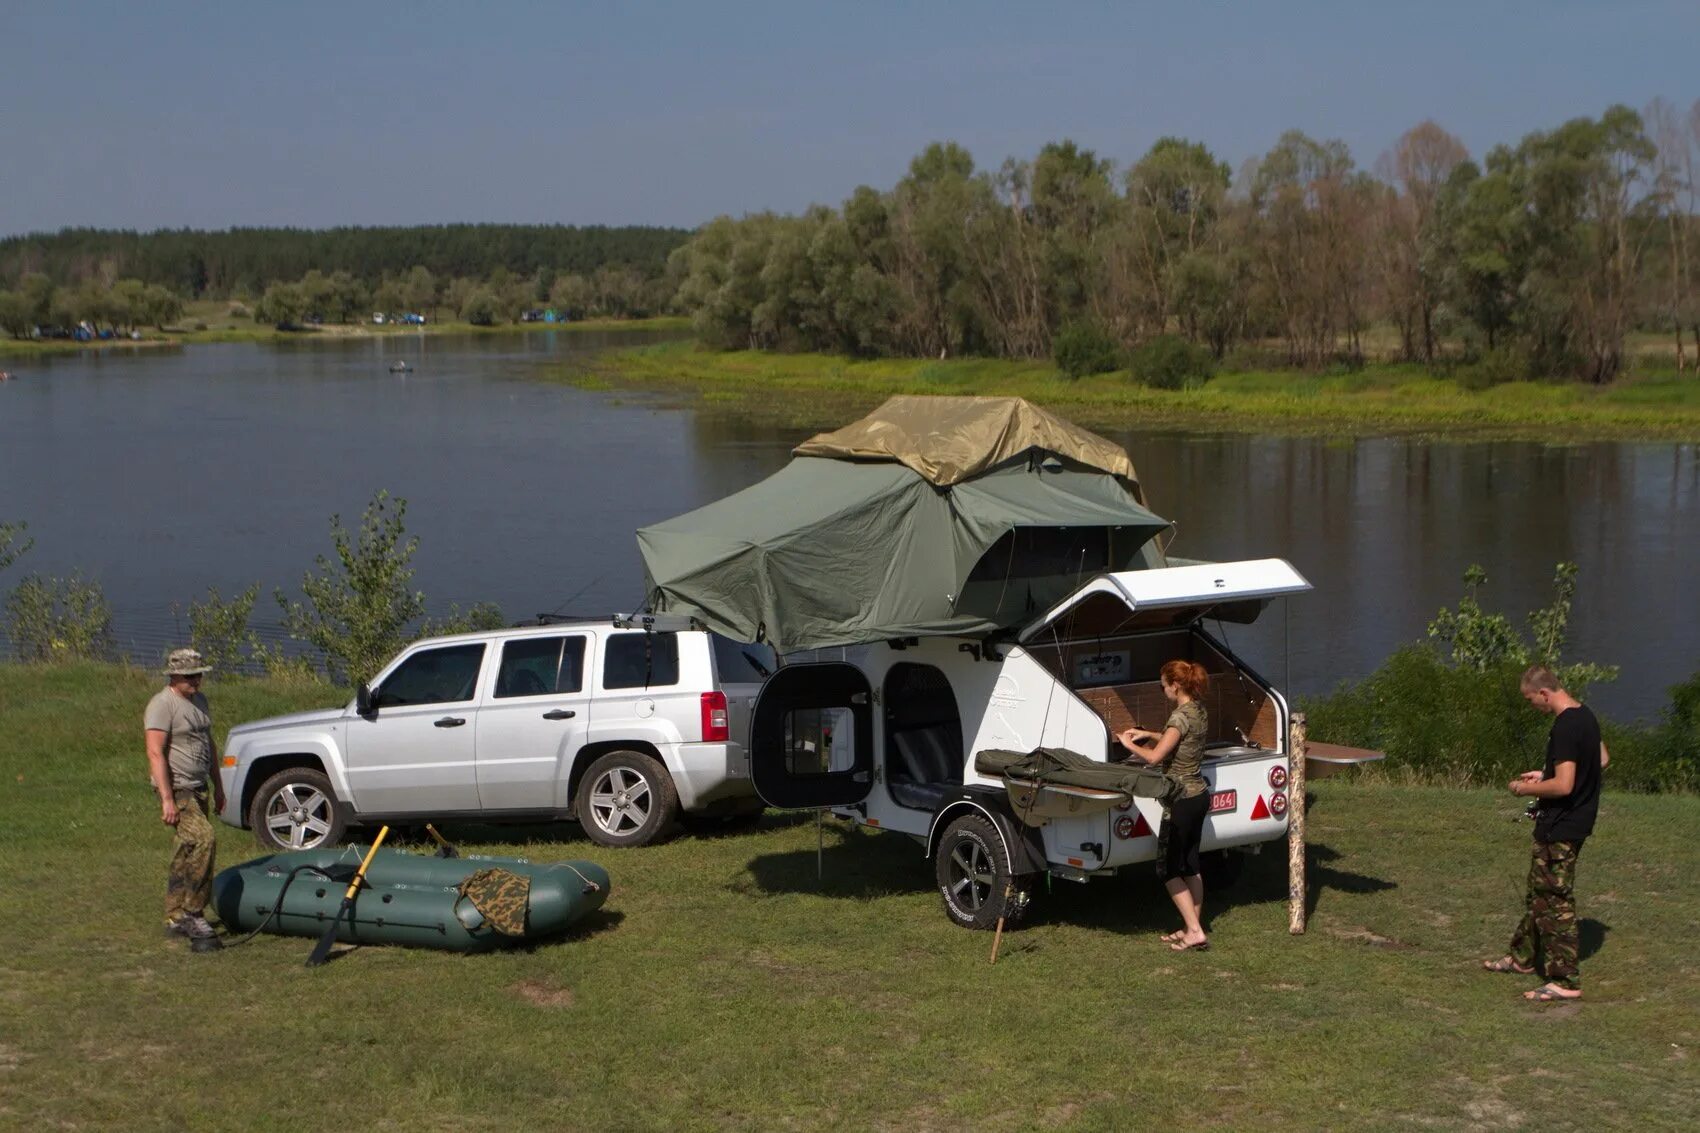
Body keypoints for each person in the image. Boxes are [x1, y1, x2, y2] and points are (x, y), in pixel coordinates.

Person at [1482, 665, 1607, 1001]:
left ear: (1544, 693)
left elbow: (1565, 785)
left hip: (1562, 825)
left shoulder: (1565, 726)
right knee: (1538, 890)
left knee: (1555, 900)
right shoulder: (1586, 716)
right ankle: (1522, 957)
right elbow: (1602, 759)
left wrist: (1524, 789)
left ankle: (1565, 980)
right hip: (1575, 821)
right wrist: (1546, 772)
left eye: (1530, 700)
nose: (1531, 706)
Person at [1116, 660, 1212, 952]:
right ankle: (1190, 926)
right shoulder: (1198, 710)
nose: (1162, 690)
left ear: (1175, 685)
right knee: (1191, 864)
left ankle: (1195, 931)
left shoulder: (1178, 717)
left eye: (1163, 686)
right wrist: (1149, 734)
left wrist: (1128, 743)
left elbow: (1155, 758)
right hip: (1199, 796)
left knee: (1168, 869)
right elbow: (1177, 740)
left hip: (1180, 800)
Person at [145, 648, 225, 950]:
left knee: (185, 848)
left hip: (199, 786)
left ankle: (174, 915)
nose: (197, 680)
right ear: (174, 675)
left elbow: (209, 743)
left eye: (200, 674)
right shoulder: (162, 705)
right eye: (191, 676)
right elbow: (154, 752)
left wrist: (219, 786)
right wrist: (166, 798)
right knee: (205, 839)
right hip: (178, 789)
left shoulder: (199, 702)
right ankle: (194, 912)